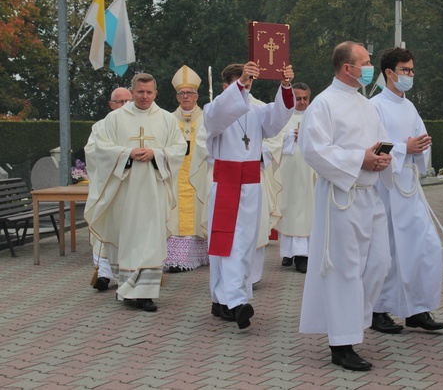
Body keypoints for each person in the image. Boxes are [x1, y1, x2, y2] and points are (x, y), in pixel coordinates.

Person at [298, 41, 394, 372]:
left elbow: (380, 141)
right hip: (342, 197)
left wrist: (383, 158)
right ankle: (341, 343)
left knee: (379, 264)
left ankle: (354, 323)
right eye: (365, 63)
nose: (370, 68)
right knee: (344, 269)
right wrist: (359, 159)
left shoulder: (366, 105)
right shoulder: (323, 104)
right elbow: (313, 150)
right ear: (346, 68)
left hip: (370, 195)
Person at [203, 61, 294, 330]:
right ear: (226, 87)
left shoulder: (256, 111)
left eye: (248, 82)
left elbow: (278, 119)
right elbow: (219, 114)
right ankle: (236, 301)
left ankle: (222, 299)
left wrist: (286, 85)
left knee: (245, 243)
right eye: (239, 82)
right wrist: (239, 84)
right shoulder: (213, 110)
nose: (245, 86)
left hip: (252, 184)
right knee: (227, 244)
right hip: (227, 184)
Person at [85, 74, 186, 312]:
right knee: (127, 239)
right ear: (132, 92)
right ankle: (127, 288)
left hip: (153, 191)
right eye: (140, 92)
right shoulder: (115, 119)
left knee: (150, 240)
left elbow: (179, 148)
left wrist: (157, 154)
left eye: (149, 92)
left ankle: (145, 293)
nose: (145, 96)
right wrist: (126, 153)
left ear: (156, 93)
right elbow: (100, 147)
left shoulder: (167, 120)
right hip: (124, 193)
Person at [369, 47, 443, 334]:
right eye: (405, 70)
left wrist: (419, 149)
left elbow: (421, 142)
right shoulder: (375, 106)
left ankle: (417, 308)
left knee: (424, 247)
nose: (411, 75)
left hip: (409, 187)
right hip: (386, 189)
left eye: (412, 70)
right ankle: (378, 309)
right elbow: (375, 146)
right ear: (389, 73)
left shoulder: (410, 106)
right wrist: (405, 148)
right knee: (388, 250)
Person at [165, 65, 210, 273]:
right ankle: (176, 258)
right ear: (177, 97)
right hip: (175, 174)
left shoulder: (207, 117)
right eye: (181, 93)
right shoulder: (168, 120)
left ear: (197, 95)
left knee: (200, 208)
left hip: (199, 173)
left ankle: (201, 256)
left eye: (189, 93)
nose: (185, 96)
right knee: (174, 213)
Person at [88, 86, 132, 292]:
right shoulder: (101, 126)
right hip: (107, 186)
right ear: (111, 104)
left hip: (131, 187)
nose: (124, 106)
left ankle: (131, 276)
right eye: (120, 102)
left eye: (127, 101)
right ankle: (104, 274)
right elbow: (92, 152)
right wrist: (120, 157)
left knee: (130, 231)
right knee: (105, 229)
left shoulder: (137, 125)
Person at [275, 83, 316, 274]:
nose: (302, 103)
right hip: (288, 173)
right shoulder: (283, 117)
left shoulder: (316, 116)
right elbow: (272, 140)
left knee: (306, 213)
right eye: (298, 98)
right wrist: (289, 136)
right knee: (288, 211)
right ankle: (288, 252)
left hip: (309, 174)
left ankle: (303, 255)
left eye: (305, 98)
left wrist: (308, 135)